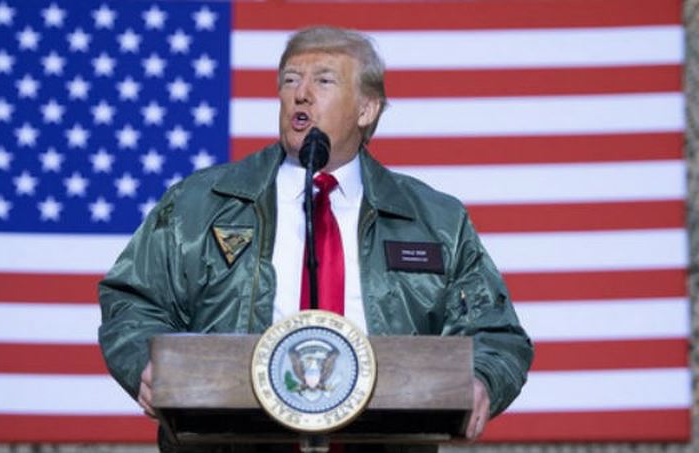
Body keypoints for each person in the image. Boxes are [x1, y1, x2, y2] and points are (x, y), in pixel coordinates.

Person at [99, 26, 533, 452]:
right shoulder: (198, 204)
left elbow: (495, 333)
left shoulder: (434, 221)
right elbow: (134, 300)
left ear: (367, 109)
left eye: (323, 81)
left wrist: (482, 379)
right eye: (291, 80)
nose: (301, 94)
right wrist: (144, 362)